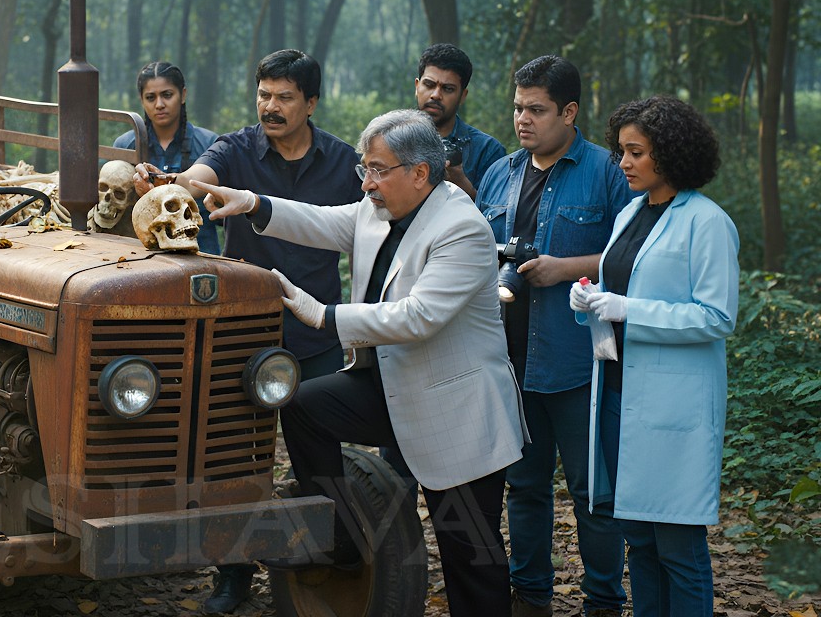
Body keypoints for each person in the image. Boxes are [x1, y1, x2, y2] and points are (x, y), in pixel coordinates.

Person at [193, 109, 526, 615]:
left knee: (469, 552)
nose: (366, 183)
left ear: (419, 173)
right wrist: (255, 204)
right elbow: (325, 221)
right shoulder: (379, 207)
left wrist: (325, 316)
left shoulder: (462, 228)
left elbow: (420, 317)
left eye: (377, 170)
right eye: (363, 170)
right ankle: (342, 535)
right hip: (391, 387)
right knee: (303, 404)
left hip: (458, 410)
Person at [133, 49, 362, 615]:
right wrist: (170, 184)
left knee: (319, 453)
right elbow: (195, 178)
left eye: (285, 97)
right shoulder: (235, 149)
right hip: (245, 337)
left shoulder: (344, 162)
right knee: (231, 458)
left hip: (318, 333)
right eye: (264, 95)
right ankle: (232, 575)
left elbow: (379, 221)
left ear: (311, 102)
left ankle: (332, 557)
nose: (271, 107)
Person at [474, 55, 633, 617]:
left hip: (578, 360)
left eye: (537, 110)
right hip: (510, 358)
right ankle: (531, 598)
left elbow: (632, 258)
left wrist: (564, 268)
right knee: (526, 488)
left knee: (594, 495)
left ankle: (604, 603)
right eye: (518, 107)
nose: (523, 119)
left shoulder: (607, 172)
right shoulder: (501, 173)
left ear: (570, 111)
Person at [570, 96, 738, 616]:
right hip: (620, 398)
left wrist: (628, 309)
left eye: (636, 152)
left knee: (678, 547)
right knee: (638, 539)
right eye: (621, 151)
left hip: (673, 408)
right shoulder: (630, 213)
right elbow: (624, 291)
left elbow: (716, 317)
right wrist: (592, 300)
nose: (623, 163)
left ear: (668, 154)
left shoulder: (706, 222)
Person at [114, 61, 221, 253]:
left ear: (183, 95)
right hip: (138, 255)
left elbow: (225, 214)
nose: (159, 104)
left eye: (167, 95)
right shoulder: (125, 146)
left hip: (203, 255)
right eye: (150, 97)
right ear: (142, 100)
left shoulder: (210, 145)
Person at [414, 43, 506, 199]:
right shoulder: (391, 139)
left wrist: (462, 185)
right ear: (417, 86)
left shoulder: (487, 150)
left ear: (463, 95)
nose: (436, 95)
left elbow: (497, 217)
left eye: (448, 88)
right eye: (429, 85)